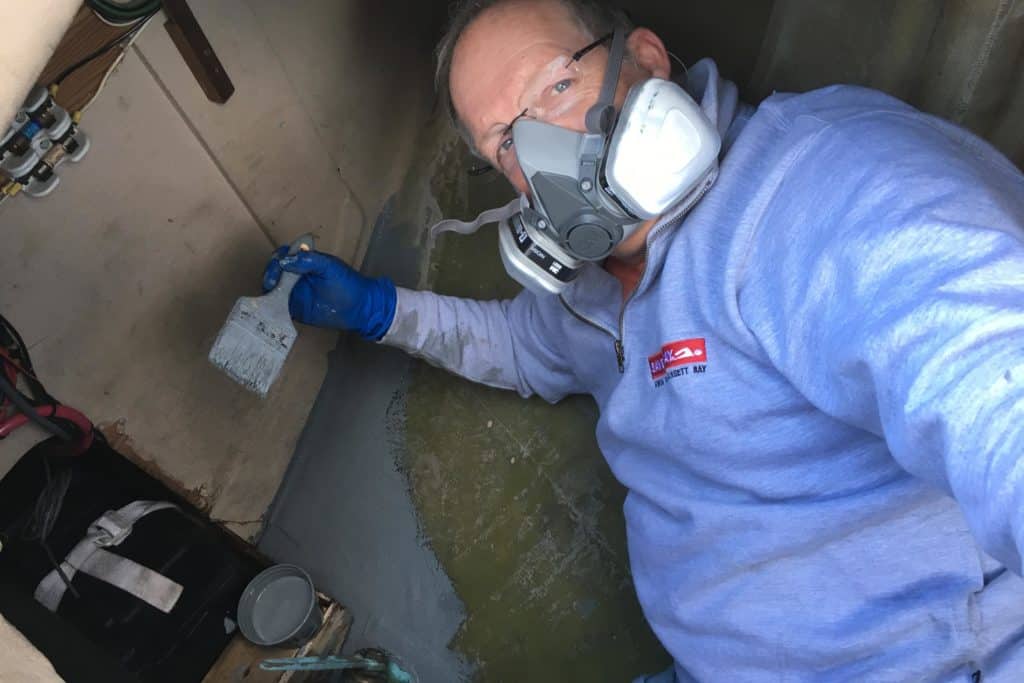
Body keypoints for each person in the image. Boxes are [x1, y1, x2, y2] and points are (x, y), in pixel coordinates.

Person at [262, 0, 1024, 680]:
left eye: (555, 89)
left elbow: (986, 375)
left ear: (648, 60)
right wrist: (380, 310)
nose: (540, 154)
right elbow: (520, 345)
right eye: (504, 142)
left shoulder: (813, 187)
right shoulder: (589, 286)